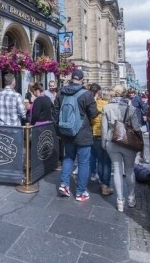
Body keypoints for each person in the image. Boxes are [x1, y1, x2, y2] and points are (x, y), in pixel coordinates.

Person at [53, 69, 98, 202]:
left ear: (72, 78)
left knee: (68, 158)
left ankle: (64, 185)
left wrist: (58, 132)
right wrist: (94, 101)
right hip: (82, 133)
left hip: (66, 132)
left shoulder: (61, 92)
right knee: (84, 163)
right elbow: (94, 114)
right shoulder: (87, 94)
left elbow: (55, 113)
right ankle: (80, 192)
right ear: (82, 80)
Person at [102, 84, 142, 212]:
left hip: (111, 141)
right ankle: (131, 198)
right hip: (128, 142)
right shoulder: (131, 109)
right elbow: (136, 129)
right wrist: (141, 146)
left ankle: (120, 201)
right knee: (129, 170)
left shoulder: (106, 107)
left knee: (117, 170)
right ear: (125, 94)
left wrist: (104, 143)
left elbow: (104, 129)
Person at [91, 87, 113, 196]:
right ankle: (106, 185)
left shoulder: (94, 105)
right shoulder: (109, 106)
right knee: (107, 162)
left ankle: (101, 182)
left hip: (95, 135)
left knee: (100, 160)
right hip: (107, 136)